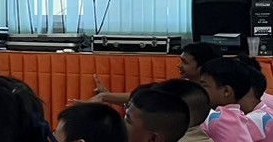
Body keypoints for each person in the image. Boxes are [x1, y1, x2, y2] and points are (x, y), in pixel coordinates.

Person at [92, 42, 224, 106]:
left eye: (184, 62)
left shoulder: (207, 96)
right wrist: (106, 96)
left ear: (202, 67)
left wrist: (105, 97)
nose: (179, 66)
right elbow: (147, 101)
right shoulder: (183, 86)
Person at [198, 59, 259, 142]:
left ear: (226, 91)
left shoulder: (216, 119)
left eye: (204, 86)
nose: (199, 91)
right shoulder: (238, 117)